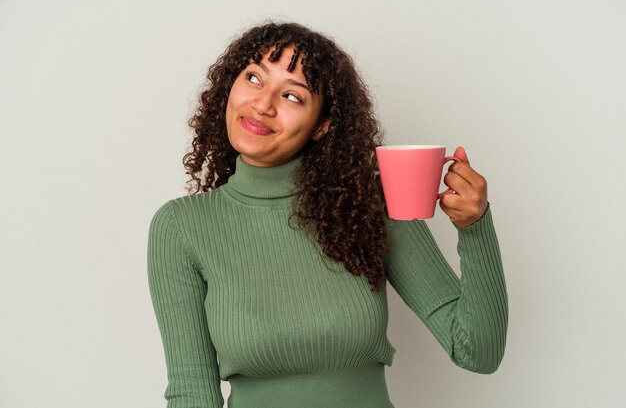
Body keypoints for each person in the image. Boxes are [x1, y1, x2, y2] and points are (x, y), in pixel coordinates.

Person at [147, 21, 508, 408]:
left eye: (292, 96)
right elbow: (192, 395)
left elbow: (477, 351)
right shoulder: (181, 227)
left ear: (323, 125)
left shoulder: (370, 205)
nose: (263, 104)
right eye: (254, 77)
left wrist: (475, 226)